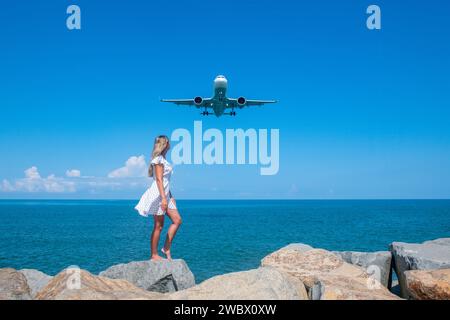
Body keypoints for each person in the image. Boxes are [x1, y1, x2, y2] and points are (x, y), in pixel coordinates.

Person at [135, 135, 182, 261]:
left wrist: (170, 196)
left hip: (165, 194)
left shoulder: (164, 159)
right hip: (158, 195)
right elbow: (159, 180)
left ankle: (166, 248)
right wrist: (163, 199)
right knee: (158, 225)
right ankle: (154, 255)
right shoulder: (158, 160)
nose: (170, 144)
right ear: (164, 144)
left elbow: (166, 181)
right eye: (168, 142)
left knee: (177, 220)